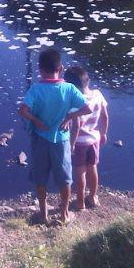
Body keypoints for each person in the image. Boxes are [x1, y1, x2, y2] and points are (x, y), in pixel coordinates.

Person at [19, 49, 91, 226]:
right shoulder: (69, 88)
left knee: (40, 176)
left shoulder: (36, 89)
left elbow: (23, 110)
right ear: (60, 68)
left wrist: (36, 120)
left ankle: (43, 214)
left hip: (40, 139)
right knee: (64, 178)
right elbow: (87, 109)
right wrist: (69, 117)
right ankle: (64, 214)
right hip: (61, 139)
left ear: (40, 69)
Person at [64, 65, 109, 210]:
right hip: (94, 139)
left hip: (79, 143)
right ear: (87, 80)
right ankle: (93, 196)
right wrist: (103, 133)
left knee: (80, 172)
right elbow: (105, 116)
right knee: (93, 168)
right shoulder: (97, 94)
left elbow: (76, 126)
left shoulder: (75, 101)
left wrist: (71, 144)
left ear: (71, 86)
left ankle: (80, 202)